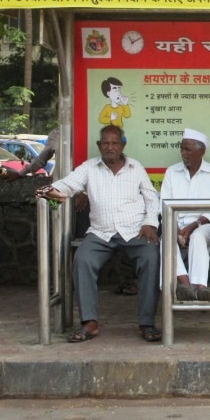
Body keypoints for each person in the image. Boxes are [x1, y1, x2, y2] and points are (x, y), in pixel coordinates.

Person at [36, 125, 161, 343]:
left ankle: (147, 322)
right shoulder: (89, 167)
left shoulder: (135, 167)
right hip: (100, 233)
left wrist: (150, 223)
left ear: (123, 145)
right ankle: (89, 323)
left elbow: (152, 198)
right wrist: (43, 194)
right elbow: (67, 186)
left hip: (134, 230)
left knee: (151, 258)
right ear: (98, 145)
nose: (110, 147)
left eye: (114, 143)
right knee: (82, 260)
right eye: (105, 143)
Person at [160, 128, 210, 301]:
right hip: (176, 223)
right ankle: (186, 285)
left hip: (204, 225)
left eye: (187, 149)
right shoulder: (171, 172)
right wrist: (175, 229)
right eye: (181, 148)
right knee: (166, 240)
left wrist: (192, 226)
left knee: (197, 237)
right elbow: (164, 205)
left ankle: (200, 287)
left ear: (201, 151)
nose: (183, 153)